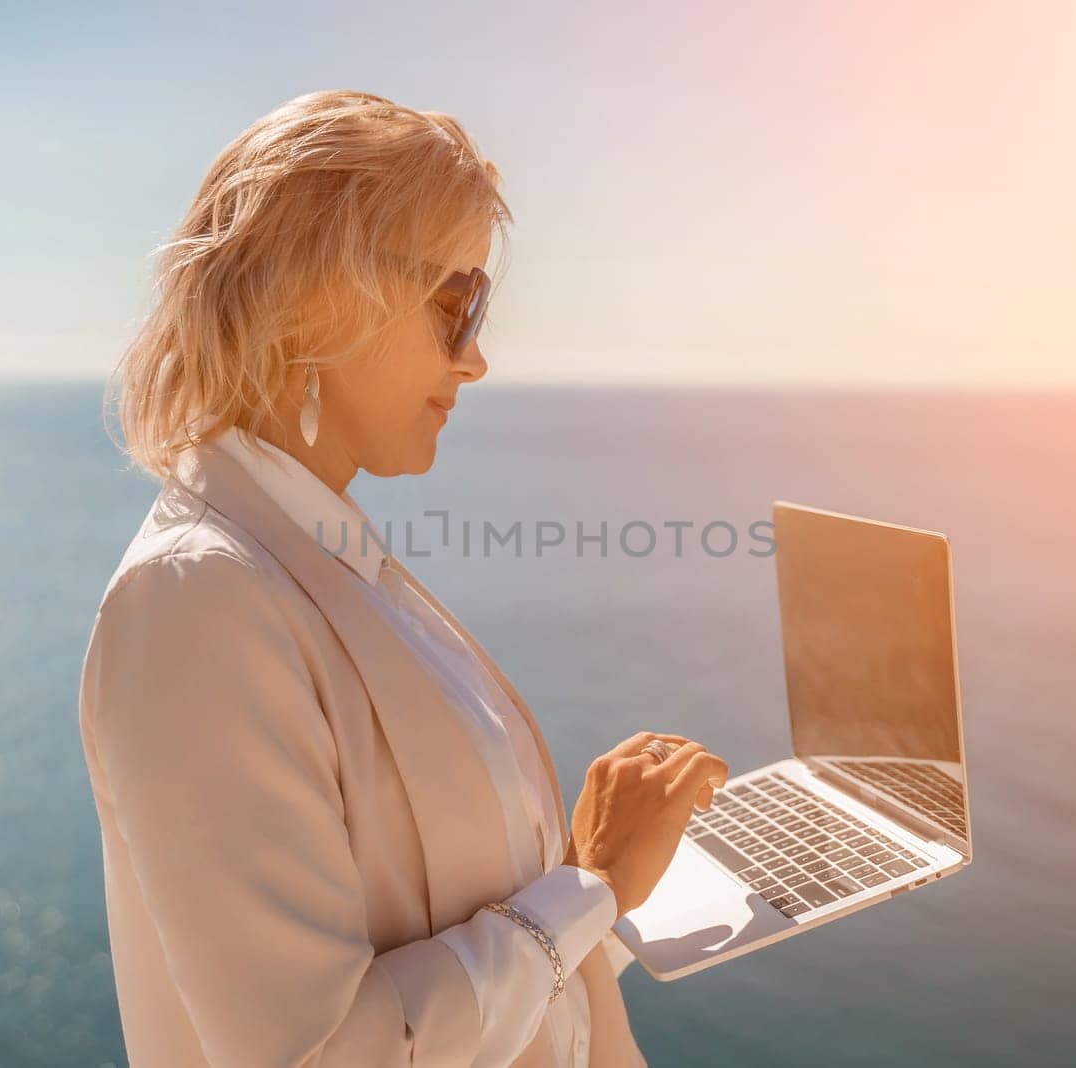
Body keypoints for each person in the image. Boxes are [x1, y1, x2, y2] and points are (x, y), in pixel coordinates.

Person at [79, 89, 728, 1067]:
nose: (474, 358)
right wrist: (588, 885)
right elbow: (322, 1052)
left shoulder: (323, 554)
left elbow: (465, 956)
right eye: (454, 303)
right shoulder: (197, 605)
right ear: (319, 294)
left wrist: (602, 883)